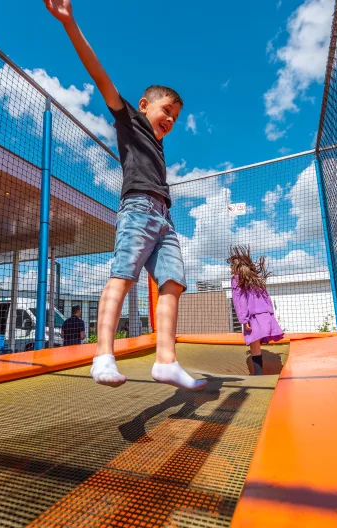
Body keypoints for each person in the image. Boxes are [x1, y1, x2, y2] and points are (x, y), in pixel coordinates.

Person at [45, 0, 206, 391]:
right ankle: (103, 355)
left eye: (176, 117)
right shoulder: (130, 121)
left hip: (164, 218)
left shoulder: (160, 144)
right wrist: (70, 24)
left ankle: (166, 361)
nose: (170, 119)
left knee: (172, 283)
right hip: (137, 210)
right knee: (123, 276)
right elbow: (99, 76)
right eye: (166, 110)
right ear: (144, 105)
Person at [228, 246, 284, 375]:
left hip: (253, 316)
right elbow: (266, 297)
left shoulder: (236, 279)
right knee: (256, 344)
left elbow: (239, 300)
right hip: (266, 314)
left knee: (254, 346)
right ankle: (260, 374)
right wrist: (271, 315)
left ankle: (258, 375)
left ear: (236, 268)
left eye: (231, 266)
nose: (230, 269)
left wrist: (243, 319)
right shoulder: (255, 278)